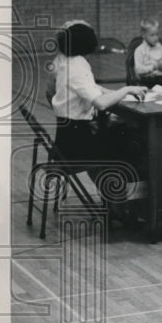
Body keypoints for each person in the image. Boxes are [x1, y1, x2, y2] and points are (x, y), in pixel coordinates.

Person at [49, 19, 147, 206]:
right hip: (77, 143)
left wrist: (110, 91)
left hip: (69, 135)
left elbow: (89, 87)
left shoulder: (69, 62)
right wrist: (126, 90)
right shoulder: (77, 66)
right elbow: (101, 104)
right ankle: (127, 201)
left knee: (122, 136)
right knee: (132, 143)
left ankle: (120, 199)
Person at [132, 18, 162, 89]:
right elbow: (138, 69)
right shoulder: (139, 51)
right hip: (147, 83)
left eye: (157, 34)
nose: (156, 38)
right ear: (144, 35)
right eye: (152, 35)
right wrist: (154, 66)